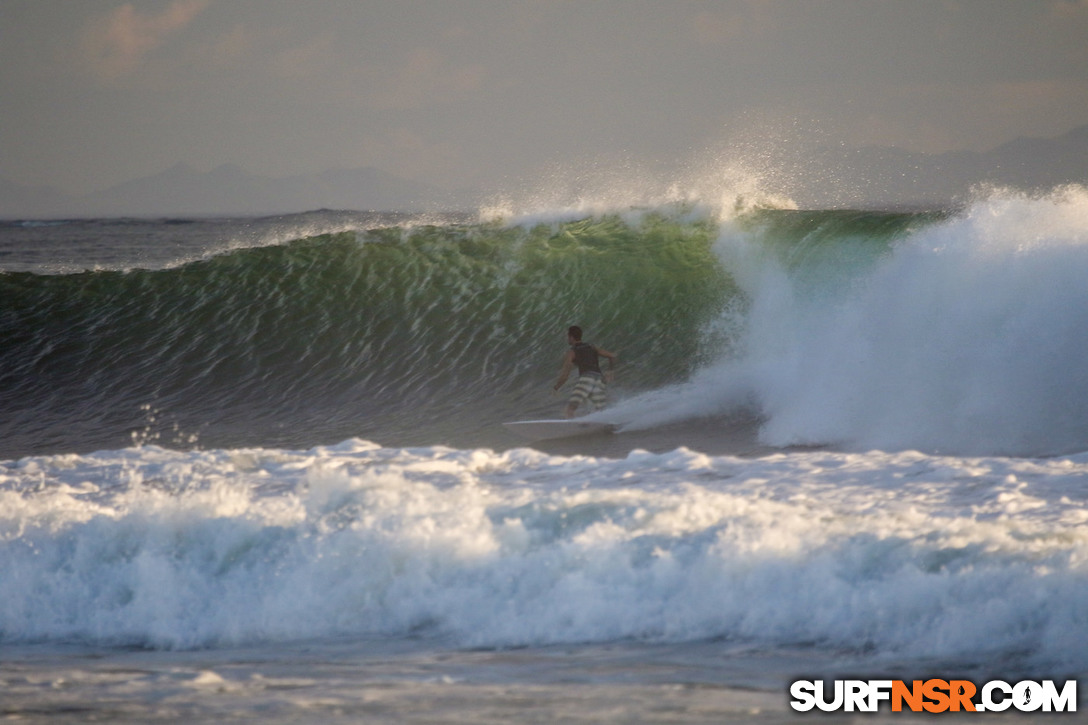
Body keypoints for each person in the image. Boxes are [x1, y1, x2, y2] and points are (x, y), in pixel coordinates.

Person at [553, 325, 617, 418]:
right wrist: (611, 371)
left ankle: (573, 429)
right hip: (599, 379)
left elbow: (565, 375)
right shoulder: (591, 347)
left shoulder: (572, 352)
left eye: (568, 337)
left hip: (587, 379)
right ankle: (605, 428)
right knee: (600, 411)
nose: (568, 339)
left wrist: (556, 387)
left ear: (571, 337)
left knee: (570, 409)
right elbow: (612, 356)